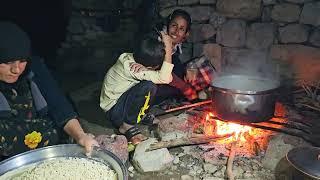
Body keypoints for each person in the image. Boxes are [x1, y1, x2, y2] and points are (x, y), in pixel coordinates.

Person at [0, 22, 98, 159]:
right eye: (7, 62)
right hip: (7, 140)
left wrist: (81, 136)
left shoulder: (34, 68)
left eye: (22, 60)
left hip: (40, 132)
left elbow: (59, 105)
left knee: (65, 129)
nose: (16, 69)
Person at [100, 32, 173, 145]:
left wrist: (147, 70)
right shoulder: (133, 69)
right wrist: (168, 48)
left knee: (151, 84)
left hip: (119, 102)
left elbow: (168, 77)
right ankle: (126, 125)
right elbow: (166, 78)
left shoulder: (134, 58)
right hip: (114, 111)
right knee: (149, 86)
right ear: (151, 67)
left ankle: (140, 115)